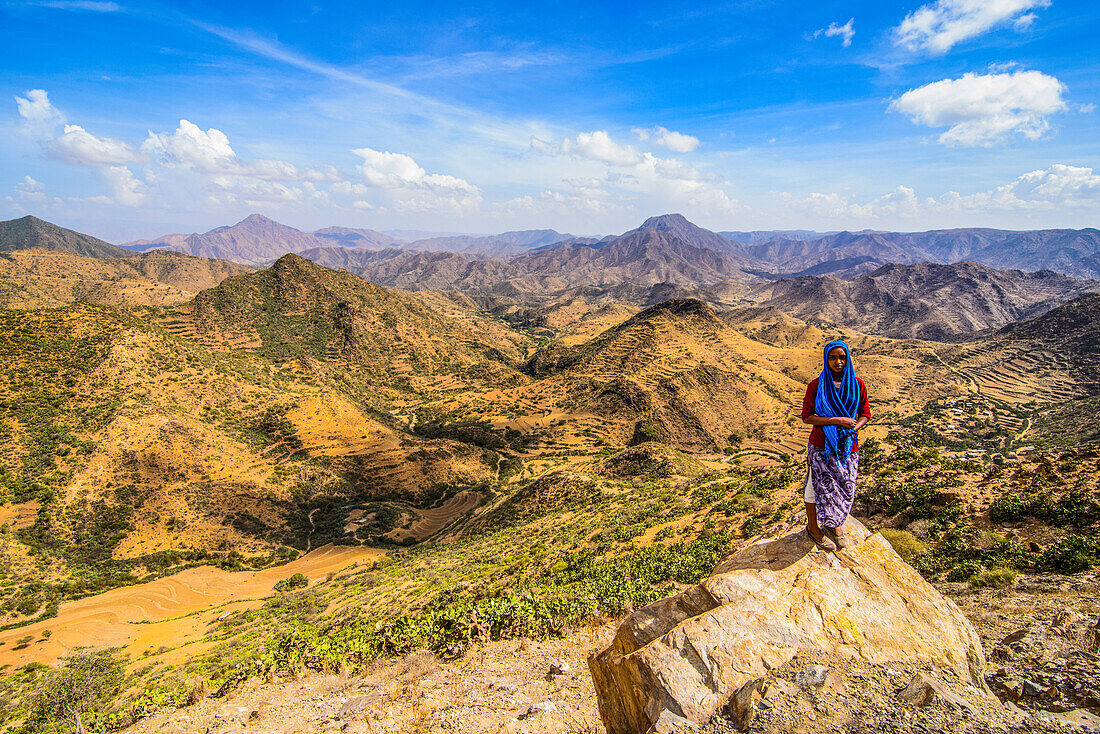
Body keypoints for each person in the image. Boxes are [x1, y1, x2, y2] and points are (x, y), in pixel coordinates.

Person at [800, 340, 871, 550]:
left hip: (847, 446)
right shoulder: (816, 386)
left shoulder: (857, 385)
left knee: (843, 488)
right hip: (821, 446)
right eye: (833, 358)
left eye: (842, 357)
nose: (838, 362)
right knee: (814, 486)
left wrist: (854, 428)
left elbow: (865, 413)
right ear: (826, 360)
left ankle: (834, 525)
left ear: (848, 358)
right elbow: (807, 417)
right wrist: (837, 420)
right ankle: (813, 527)